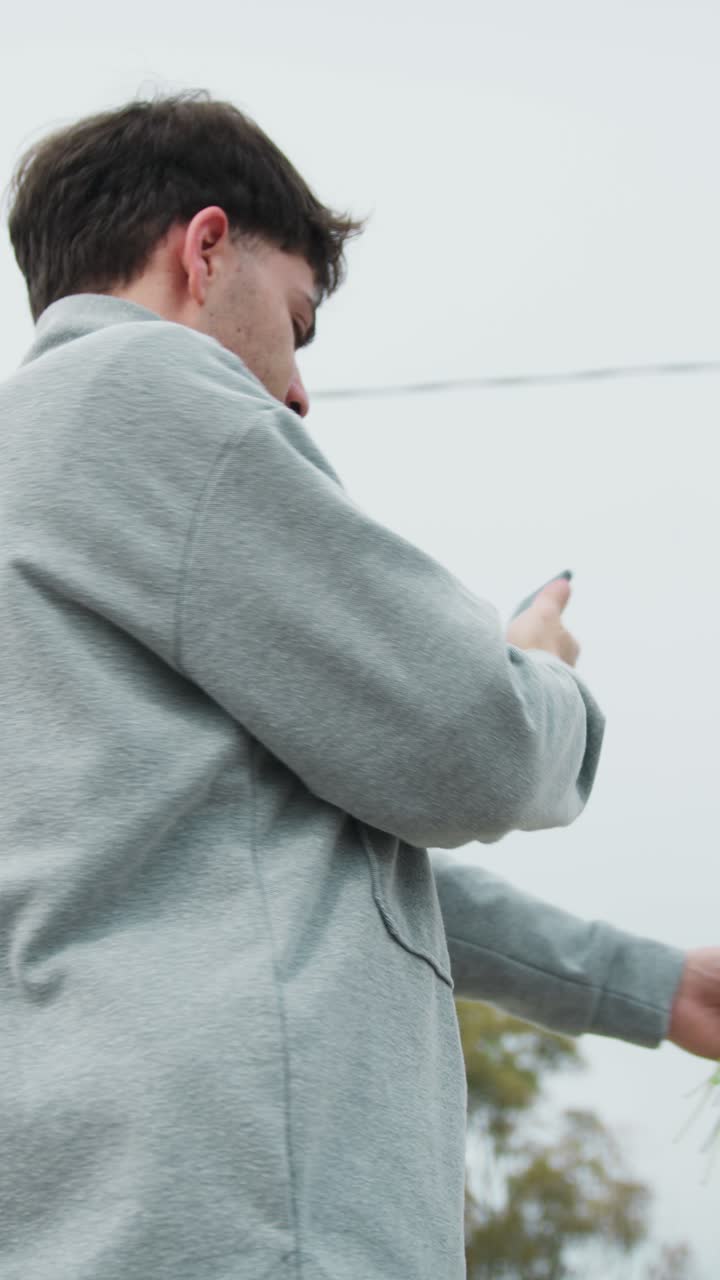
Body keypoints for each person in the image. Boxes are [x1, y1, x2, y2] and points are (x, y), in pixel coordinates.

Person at [0, 90, 717, 1280]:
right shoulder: (145, 388)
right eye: (296, 319)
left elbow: (277, 846)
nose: (295, 391)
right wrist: (539, 670)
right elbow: (473, 741)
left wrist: (651, 984)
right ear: (205, 247)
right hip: (250, 1210)